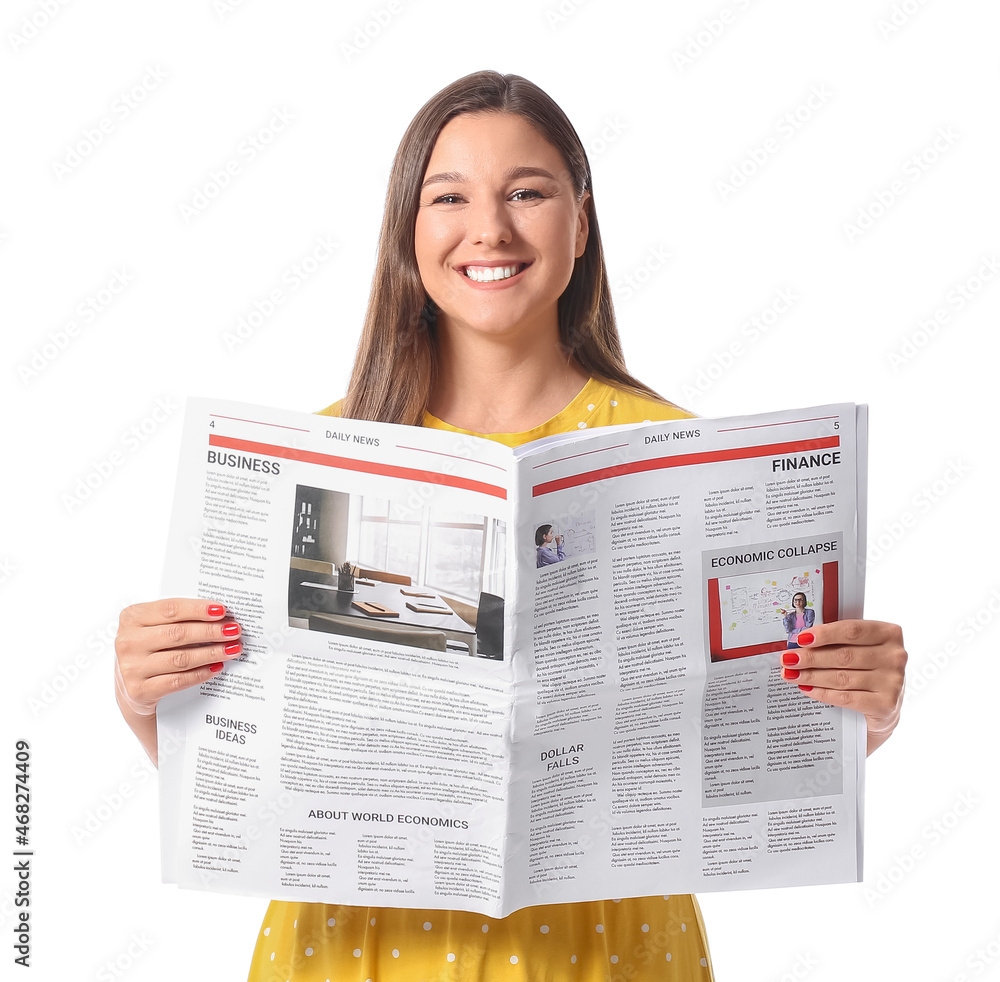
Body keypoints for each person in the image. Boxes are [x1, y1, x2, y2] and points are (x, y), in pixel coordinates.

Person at [114, 70, 908, 981]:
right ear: (408, 233)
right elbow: (241, 769)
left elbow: (752, 747)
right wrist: (147, 698)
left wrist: (862, 713)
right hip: (352, 948)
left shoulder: (684, 457)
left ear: (582, 219)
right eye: (449, 196)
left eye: (527, 192)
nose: (489, 229)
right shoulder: (318, 458)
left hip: (607, 951)